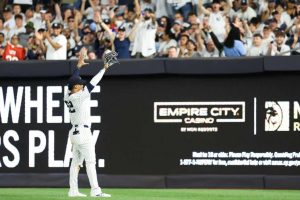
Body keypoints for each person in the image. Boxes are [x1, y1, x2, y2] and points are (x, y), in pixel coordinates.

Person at [64, 47, 112, 198]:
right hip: (83, 133)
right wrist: (104, 68)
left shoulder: (67, 95)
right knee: (90, 162)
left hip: (74, 133)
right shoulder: (79, 96)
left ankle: (73, 190)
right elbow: (93, 82)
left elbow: (71, 81)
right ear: (76, 88)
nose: (82, 85)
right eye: (80, 84)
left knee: (76, 163)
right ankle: (96, 190)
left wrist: (78, 66)